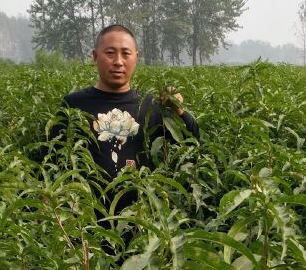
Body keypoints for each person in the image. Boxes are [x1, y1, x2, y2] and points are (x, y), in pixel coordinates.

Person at [44, 24, 199, 187]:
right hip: (87, 209)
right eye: (110, 53)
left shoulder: (152, 106)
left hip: (143, 208)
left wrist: (178, 110)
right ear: (95, 56)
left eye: (126, 53)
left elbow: (192, 144)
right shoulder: (74, 104)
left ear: (136, 58)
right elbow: (53, 159)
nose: (118, 62)